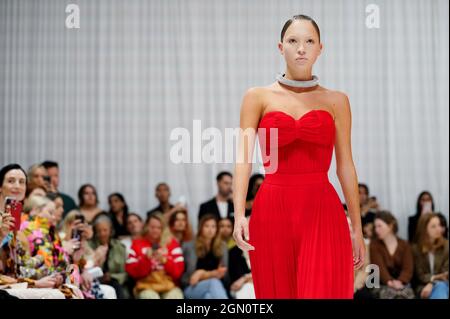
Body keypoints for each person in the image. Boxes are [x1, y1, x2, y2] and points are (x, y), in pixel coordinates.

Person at [232, 14, 363, 298]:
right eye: (293, 41)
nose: (301, 48)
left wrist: (357, 228)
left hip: (322, 209)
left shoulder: (337, 101)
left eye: (308, 41)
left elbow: (346, 166)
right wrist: (240, 213)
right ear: (281, 47)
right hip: (271, 209)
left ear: (320, 48)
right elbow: (242, 159)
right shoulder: (256, 97)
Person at [125, 213, 184, 299]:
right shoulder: (137, 244)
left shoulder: (172, 244)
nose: (155, 230)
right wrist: (146, 259)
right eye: (152, 227)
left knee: (175, 296)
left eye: (159, 228)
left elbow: (178, 273)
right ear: (146, 227)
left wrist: (165, 260)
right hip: (145, 287)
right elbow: (132, 273)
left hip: (169, 286)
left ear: (164, 228)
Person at [181, 214, 229, 299]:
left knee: (208, 296)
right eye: (206, 226)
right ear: (201, 228)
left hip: (215, 288)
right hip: (191, 288)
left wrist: (202, 273)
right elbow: (191, 279)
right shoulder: (189, 246)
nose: (210, 230)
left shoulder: (222, 246)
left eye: (213, 226)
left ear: (217, 229)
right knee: (213, 282)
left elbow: (222, 274)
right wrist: (212, 274)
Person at [370, 211, 415, 299]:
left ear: (390, 226)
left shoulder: (404, 245)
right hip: (381, 284)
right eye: (375, 227)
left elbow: (408, 268)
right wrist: (390, 282)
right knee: (391, 294)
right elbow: (379, 268)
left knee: (403, 294)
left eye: (379, 226)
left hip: (402, 284)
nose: (376, 230)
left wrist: (400, 281)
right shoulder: (374, 245)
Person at [90, 214, 128, 299]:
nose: (102, 234)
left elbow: (125, 273)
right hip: (95, 281)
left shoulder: (119, 247)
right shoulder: (90, 246)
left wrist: (112, 276)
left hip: (116, 282)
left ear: (111, 231)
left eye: (105, 230)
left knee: (116, 287)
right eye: (99, 231)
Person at [412, 213, 448, 299]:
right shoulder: (415, 249)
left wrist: (432, 282)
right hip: (423, 286)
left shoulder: (447, 246)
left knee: (440, 287)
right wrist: (434, 280)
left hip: (445, 284)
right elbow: (420, 275)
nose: (438, 229)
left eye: (439, 225)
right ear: (424, 229)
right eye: (433, 226)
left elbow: (445, 274)